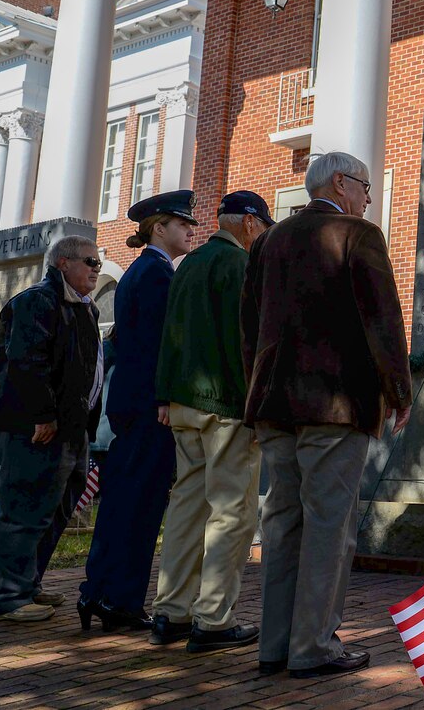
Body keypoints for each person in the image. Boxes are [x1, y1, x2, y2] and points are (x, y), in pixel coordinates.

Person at [243, 152, 412, 678]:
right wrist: (399, 391)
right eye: (364, 185)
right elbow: (382, 321)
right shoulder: (357, 234)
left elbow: (249, 326)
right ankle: (313, 646)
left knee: (281, 523)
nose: (367, 196)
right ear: (340, 183)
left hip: (274, 405)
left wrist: (256, 389)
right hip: (336, 404)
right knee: (328, 526)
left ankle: (275, 645)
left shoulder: (269, 240)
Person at [149, 191, 274, 652]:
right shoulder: (238, 264)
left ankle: (171, 611)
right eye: (262, 226)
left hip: (183, 405)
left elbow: (170, 335)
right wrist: (256, 405)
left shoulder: (189, 265)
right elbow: (248, 341)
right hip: (225, 406)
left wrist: (164, 394)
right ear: (247, 223)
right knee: (231, 512)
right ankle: (214, 619)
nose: (262, 235)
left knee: (186, 508)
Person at [78, 190, 198, 632]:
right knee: (139, 507)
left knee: (123, 503)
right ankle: (119, 600)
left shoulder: (144, 272)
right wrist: (165, 398)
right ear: (157, 228)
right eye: (180, 223)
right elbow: (155, 349)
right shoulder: (154, 274)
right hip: (149, 408)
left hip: (134, 406)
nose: (190, 230)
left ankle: (99, 592)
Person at [0, 235, 103, 622]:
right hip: (34, 428)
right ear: (63, 263)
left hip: (71, 427)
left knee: (54, 507)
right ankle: (8, 597)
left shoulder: (85, 309)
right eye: (90, 262)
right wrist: (42, 415)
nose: (96, 270)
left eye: (98, 264)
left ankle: (27, 584)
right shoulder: (38, 301)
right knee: (23, 507)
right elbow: (27, 361)